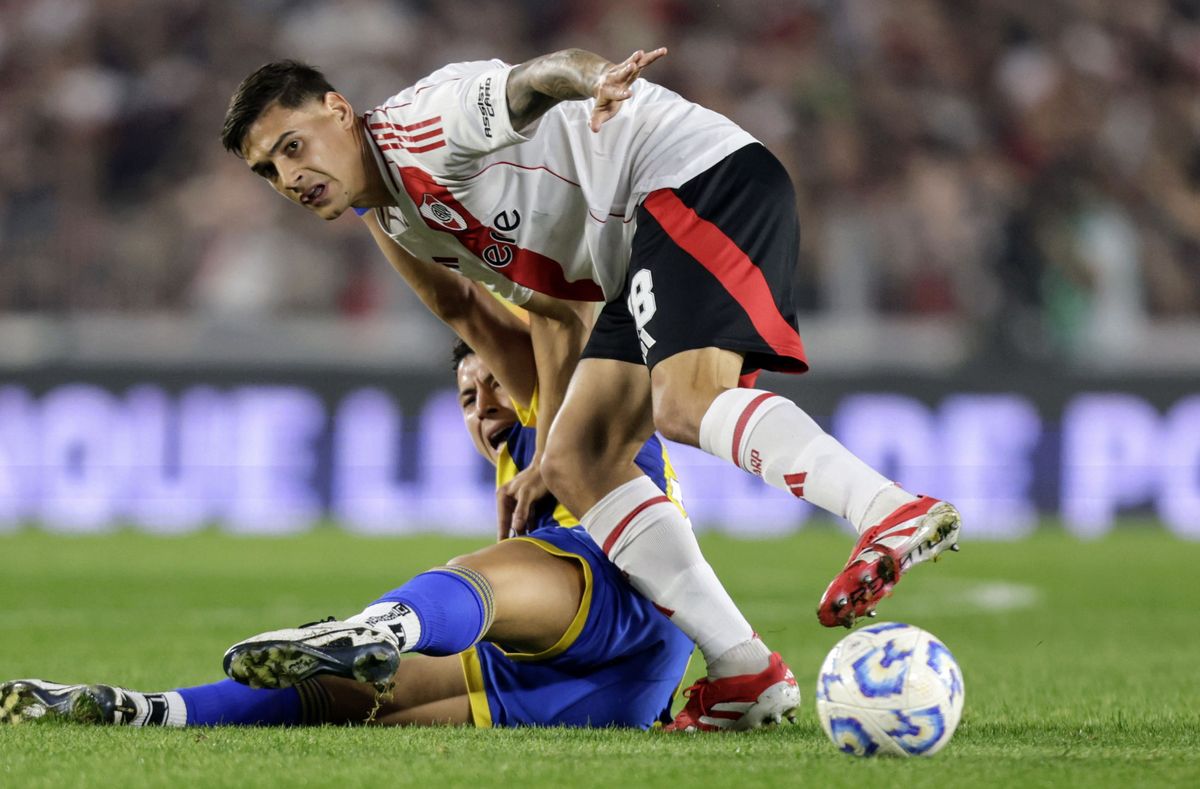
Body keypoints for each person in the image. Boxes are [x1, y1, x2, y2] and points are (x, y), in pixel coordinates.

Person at [221, 46, 960, 731]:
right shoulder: (399, 215)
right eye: (268, 170)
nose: (288, 177)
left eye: (293, 146)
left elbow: (535, 79)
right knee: (576, 459)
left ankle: (888, 509)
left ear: (339, 110)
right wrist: (545, 442)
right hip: (634, 248)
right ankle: (744, 670)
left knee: (684, 402)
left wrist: (595, 80)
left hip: (690, 178)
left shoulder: (422, 125)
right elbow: (555, 310)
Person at [0, 273, 716, 730]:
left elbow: (492, 305)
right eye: (467, 397)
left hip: (626, 594)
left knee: (480, 575)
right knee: (356, 702)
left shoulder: (559, 397)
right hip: (605, 689)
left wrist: (380, 200)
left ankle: (381, 625)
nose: (485, 404)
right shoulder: (514, 461)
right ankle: (143, 711)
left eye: (495, 380)